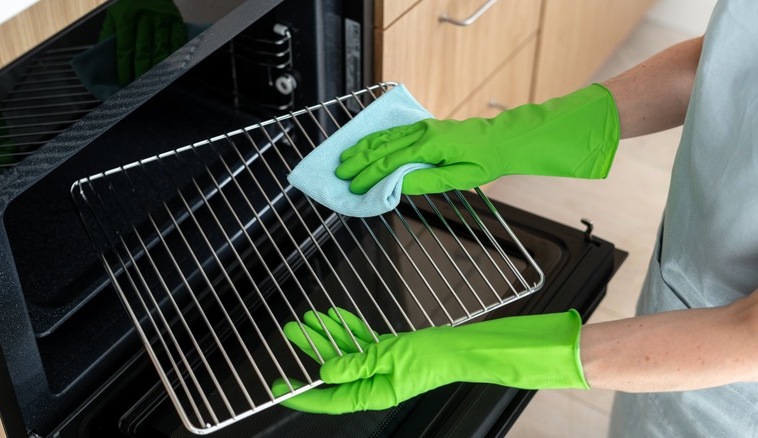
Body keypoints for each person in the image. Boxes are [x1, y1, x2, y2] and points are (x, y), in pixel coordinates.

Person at [276, 0, 758, 435]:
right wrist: (508, 136)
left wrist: (463, 353)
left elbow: (747, 336)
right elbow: (725, 64)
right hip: (689, 280)